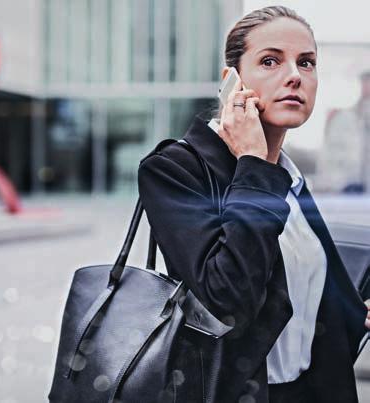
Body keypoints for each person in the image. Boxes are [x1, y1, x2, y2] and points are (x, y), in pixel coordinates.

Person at [138, 6, 370, 403]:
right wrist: (253, 164)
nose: (295, 75)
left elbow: (308, 302)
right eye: (270, 61)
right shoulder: (175, 170)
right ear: (232, 83)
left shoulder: (289, 176)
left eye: (307, 62)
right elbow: (229, 300)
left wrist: (357, 312)